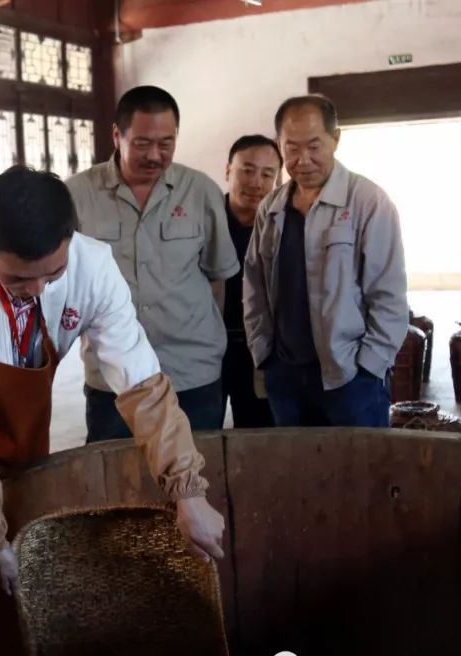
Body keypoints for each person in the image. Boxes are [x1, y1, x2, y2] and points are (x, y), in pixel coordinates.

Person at [0, 166, 226, 595]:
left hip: (25, 422)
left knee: (26, 523)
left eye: (52, 274)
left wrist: (187, 491)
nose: (36, 289)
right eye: (18, 278)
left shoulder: (93, 266)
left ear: (71, 239)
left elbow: (140, 381)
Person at [66, 86, 238, 442]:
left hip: (192, 372)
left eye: (167, 143)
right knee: (115, 485)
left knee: (197, 478)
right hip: (112, 376)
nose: (155, 155)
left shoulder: (201, 192)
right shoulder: (78, 196)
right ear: (117, 136)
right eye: (142, 144)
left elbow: (217, 279)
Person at [244, 95, 408, 427]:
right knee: (298, 474)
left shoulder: (368, 202)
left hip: (350, 378)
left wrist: (369, 366)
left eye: (314, 146)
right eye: (291, 148)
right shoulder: (271, 208)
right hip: (285, 376)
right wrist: (264, 353)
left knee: (360, 474)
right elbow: (255, 288)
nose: (303, 159)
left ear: (336, 139)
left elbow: (388, 296)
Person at [221, 135, 280, 428]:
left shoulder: (282, 226)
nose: (257, 182)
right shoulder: (203, 220)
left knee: (257, 435)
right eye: (247, 169)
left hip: (259, 349)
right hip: (209, 347)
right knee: (196, 435)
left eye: (268, 174)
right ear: (228, 170)